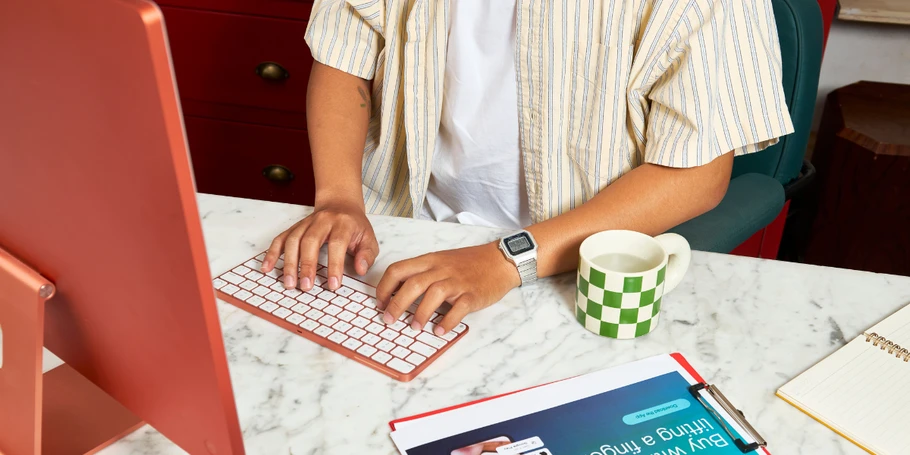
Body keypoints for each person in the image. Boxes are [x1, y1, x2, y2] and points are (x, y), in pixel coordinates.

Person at [261, 0, 794, 337]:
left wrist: (505, 259)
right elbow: (345, 57)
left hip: (579, 269)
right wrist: (339, 198)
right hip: (402, 232)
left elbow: (699, 174)